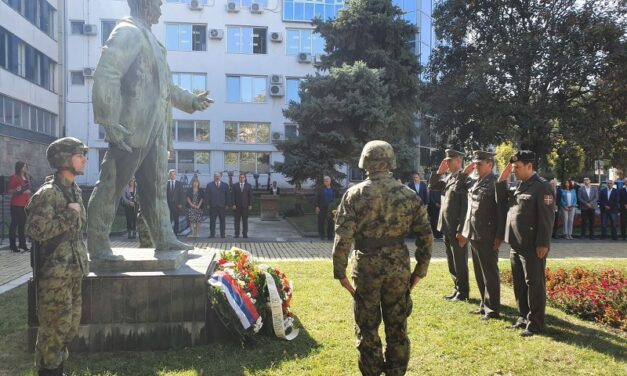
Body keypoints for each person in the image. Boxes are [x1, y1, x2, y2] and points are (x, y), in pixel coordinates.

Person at [87, 0, 212, 259]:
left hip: (156, 131)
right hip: (131, 129)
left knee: (155, 191)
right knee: (111, 185)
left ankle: (164, 238)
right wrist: (109, 120)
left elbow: (166, 88)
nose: (161, 9)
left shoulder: (152, 41)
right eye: (158, 3)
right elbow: (107, 73)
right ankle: (98, 244)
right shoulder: (128, 31)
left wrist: (192, 101)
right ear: (145, 4)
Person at [332, 140, 433, 376]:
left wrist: (340, 273)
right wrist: (419, 271)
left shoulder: (353, 194)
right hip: (398, 267)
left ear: (365, 162)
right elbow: (426, 236)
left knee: (367, 328)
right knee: (397, 327)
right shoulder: (408, 195)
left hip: (366, 266)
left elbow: (342, 238)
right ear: (390, 163)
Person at [25, 137, 89, 376]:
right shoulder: (48, 193)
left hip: (72, 272)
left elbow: (79, 227)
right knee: (53, 330)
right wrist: (68, 216)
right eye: (79, 155)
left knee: (69, 328)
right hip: (53, 277)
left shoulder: (74, 190)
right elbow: (35, 230)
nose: (84, 159)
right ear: (64, 159)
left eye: (84, 155)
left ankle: (57, 370)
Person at [496, 150, 554, 337]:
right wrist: (505, 173)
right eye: (513, 168)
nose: (514, 171)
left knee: (534, 284)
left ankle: (535, 324)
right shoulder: (520, 185)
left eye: (517, 168)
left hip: (532, 246)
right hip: (516, 243)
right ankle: (523, 317)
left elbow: (547, 219)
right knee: (519, 284)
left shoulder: (542, 187)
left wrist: (543, 244)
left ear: (529, 166)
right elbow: (500, 197)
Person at [460, 151, 506, 320]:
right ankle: (484, 304)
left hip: (488, 235)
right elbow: (459, 186)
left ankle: (492, 309)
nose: (476, 167)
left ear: (490, 165)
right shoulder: (476, 181)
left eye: (479, 164)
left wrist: (499, 236)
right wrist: (466, 171)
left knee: (490, 273)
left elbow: (502, 211)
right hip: (474, 233)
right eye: (474, 164)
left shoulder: (495, 183)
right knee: (479, 273)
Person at [428, 149, 471, 301]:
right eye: (445, 160)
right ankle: (457, 288)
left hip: (456, 227)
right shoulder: (448, 178)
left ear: (458, 161)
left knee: (460, 260)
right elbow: (432, 186)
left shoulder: (465, 179)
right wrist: (439, 171)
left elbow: (466, 206)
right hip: (446, 226)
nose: (446, 163)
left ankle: (463, 292)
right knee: (451, 260)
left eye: (449, 161)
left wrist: (461, 229)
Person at [8, 161, 31, 252]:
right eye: (23, 167)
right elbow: (10, 190)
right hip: (16, 204)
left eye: (26, 167)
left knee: (22, 225)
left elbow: (28, 188)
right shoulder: (14, 177)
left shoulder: (26, 178)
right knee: (14, 225)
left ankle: (23, 244)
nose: (25, 168)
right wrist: (18, 190)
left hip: (24, 204)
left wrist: (28, 191)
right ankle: (13, 245)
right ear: (19, 167)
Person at [205, 172, 230, 238]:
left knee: (222, 221)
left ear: (220, 177)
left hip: (222, 206)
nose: (217, 177)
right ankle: (212, 234)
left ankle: (223, 234)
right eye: (216, 176)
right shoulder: (209, 185)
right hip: (213, 206)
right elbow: (207, 195)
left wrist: (227, 204)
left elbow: (228, 195)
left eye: (218, 176)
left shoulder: (225, 185)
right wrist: (207, 204)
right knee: (212, 221)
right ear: (214, 177)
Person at [231, 173, 253, 238]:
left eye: (243, 177)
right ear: (239, 178)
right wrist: (233, 204)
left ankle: (245, 234)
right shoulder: (235, 186)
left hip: (245, 206)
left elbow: (250, 196)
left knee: (245, 221)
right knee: (236, 221)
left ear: (245, 178)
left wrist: (250, 204)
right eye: (240, 177)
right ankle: (237, 234)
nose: (242, 178)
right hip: (237, 207)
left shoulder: (248, 186)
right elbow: (232, 196)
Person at [315, 176, 337, 240]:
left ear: (330, 181)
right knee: (321, 222)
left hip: (331, 208)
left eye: (327, 181)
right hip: (322, 207)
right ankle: (322, 235)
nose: (326, 182)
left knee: (330, 222)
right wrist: (316, 206)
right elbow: (316, 198)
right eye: (325, 181)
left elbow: (334, 199)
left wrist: (335, 207)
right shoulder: (320, 189)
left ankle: (329, 236)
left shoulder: (333, 189)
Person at [166, 169, 185, 235]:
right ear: (169, 175)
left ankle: (175, 233)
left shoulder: (179, 184)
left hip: (176, 205)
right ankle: (169, 233)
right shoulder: (166, 183)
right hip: (168, 204)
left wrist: (180, 203)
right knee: (168, 220)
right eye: (171, 174)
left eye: (174, 174)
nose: (172, 175)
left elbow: (182, 195)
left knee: (176, 219)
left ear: (175, 175)